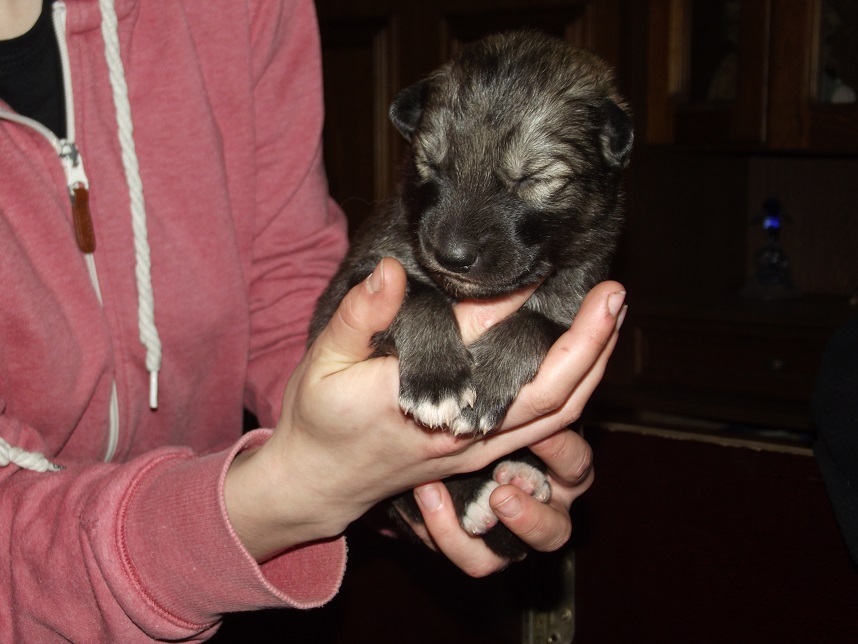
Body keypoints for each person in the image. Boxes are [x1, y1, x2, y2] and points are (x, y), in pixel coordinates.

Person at [0, 0, 626, 641]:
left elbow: (290, 291)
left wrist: (380, 470)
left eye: (532, 180)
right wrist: (293, 488)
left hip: (240, 576)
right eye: (433, 167)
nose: (454, 242)